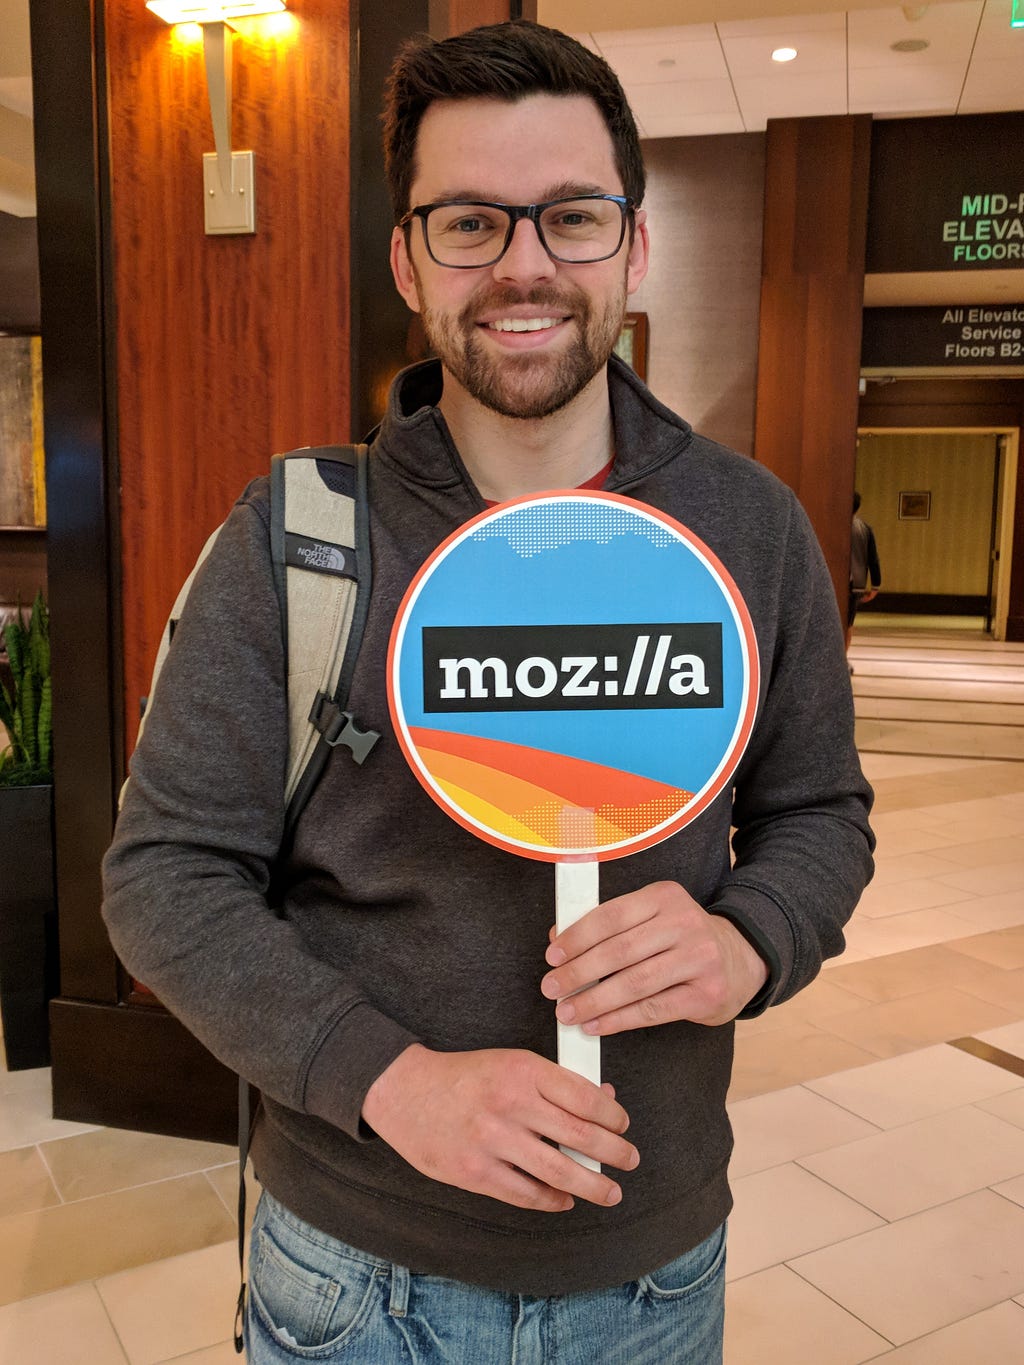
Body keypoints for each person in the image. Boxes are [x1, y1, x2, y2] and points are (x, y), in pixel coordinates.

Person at [102, 21, 874, 1365]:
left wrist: (752, 936)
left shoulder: (747, 532)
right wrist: (387, 1081)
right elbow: (164, 880)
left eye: (571, 216)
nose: (524, 264)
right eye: (470, 221)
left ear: (634, 246)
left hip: (652, 1268)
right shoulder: (300, 537)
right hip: (350, 1269)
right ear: (408, 260)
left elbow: (822, 815)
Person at [847, 490, 882, 650]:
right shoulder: (865, 529)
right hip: (857, 585)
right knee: (848, 623)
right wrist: (875, 585)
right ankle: (843, 660)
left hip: (836, 582)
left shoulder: (833, 526)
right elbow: (873, 559)